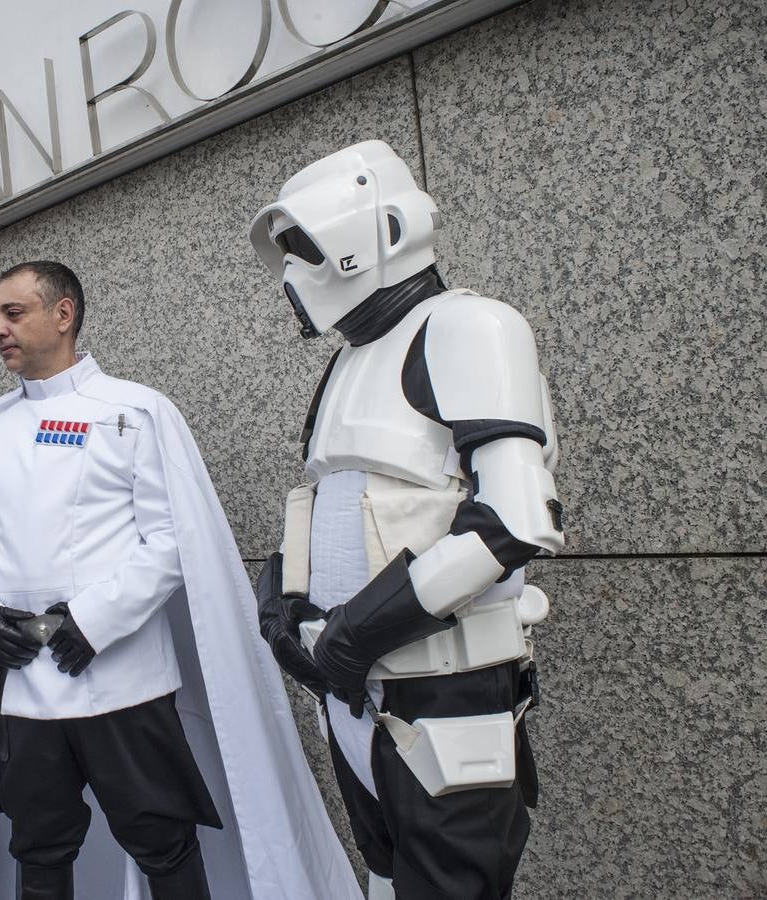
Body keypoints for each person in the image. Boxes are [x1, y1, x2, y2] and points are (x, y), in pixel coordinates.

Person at [0, 261, 362, 900]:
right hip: (25, 685)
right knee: (39, 845)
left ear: (63, 315)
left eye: (13, 313)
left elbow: (174, 539)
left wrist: (95, 620)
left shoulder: (137, 412)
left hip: (124, 680)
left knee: (163, 842)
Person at [249, 140, 564, 899]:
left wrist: (355, 636)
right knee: (384, 883)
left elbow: (514, 520)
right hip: (355, 699)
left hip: (442, 697)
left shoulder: (470, 328)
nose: (292, 272)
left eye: (305, 246)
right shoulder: (352, 358)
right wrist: (282, 605)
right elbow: (329, 502)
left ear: (374, 236)